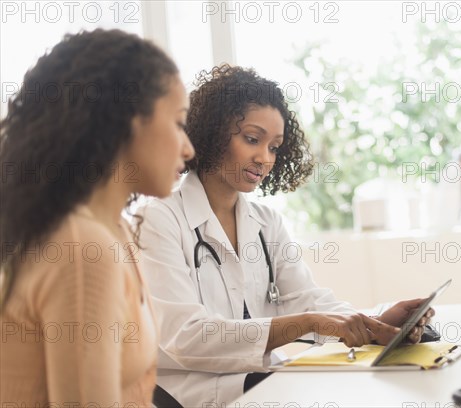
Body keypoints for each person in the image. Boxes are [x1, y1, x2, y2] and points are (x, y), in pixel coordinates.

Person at [136, 65, 434, 406]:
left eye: (275, 147)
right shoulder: (159, 219)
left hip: (262, 383)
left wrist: (373, 323)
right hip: (189, 394)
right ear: (213, 132)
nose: (264, 158)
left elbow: (307, 299)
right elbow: (185, 337)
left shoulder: (266, 222)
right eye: (251, 139)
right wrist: (309, 322)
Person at [0, 29, 194, 406]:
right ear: (128, 120)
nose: (188, 148)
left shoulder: (115, 230)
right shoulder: (82, 248)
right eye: (179, 122)